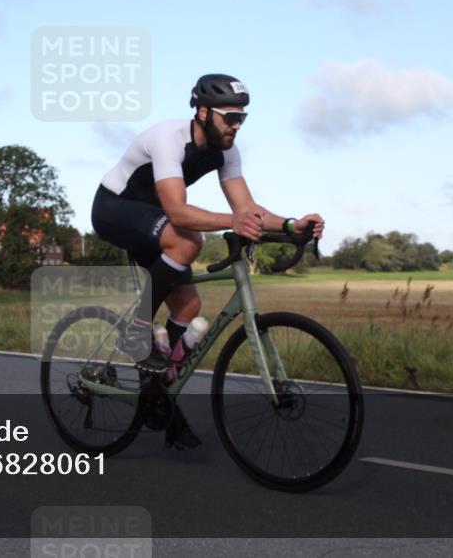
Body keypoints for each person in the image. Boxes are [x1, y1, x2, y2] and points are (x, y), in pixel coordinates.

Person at [91, 73, 325, 449]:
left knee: (189, 304)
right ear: (202, 112)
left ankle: (159, 393)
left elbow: (247, 209)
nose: (236, 125)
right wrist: (231, 222)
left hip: (156, 222)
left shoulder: (227, 151)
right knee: (189, 241)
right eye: (229, 117)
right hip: (116, 208)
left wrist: (291, 224)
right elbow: (179, 212)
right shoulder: (169, 139)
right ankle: (137, 330)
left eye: (241, 119)